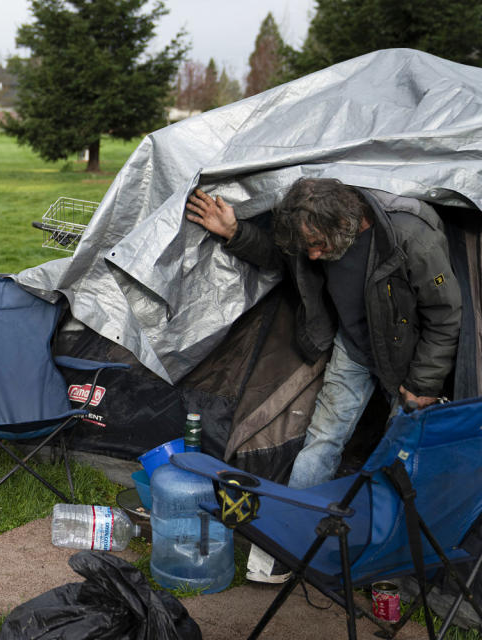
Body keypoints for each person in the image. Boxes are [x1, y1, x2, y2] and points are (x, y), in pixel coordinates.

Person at [186, 178, 462, 582]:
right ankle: (290, 540)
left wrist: (423, 383)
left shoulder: (412, 236)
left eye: (320, 246)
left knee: (398, 459)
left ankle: (387, 561)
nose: (314, 257)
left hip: (409, 358)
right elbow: (285, 260)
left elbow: (445, 316)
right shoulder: (312, 232)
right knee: (323, 439)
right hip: (352, 347)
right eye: (308, 247)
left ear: (350, 223)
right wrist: (235, 232)